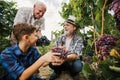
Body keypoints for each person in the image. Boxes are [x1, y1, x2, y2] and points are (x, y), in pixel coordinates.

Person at [49, 16, 83, 80]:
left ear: (74, 27)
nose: (65, 27)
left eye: (67, 25)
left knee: (78, 66)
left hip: (72, 60)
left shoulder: (78, 39)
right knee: (51, 62)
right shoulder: (60, 37)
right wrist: (58, 50)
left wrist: (65, 57)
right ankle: (57, 72)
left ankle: (73, 73)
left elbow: (75, 55)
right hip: (61, 59)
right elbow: (54, 50)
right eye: (64, 25)